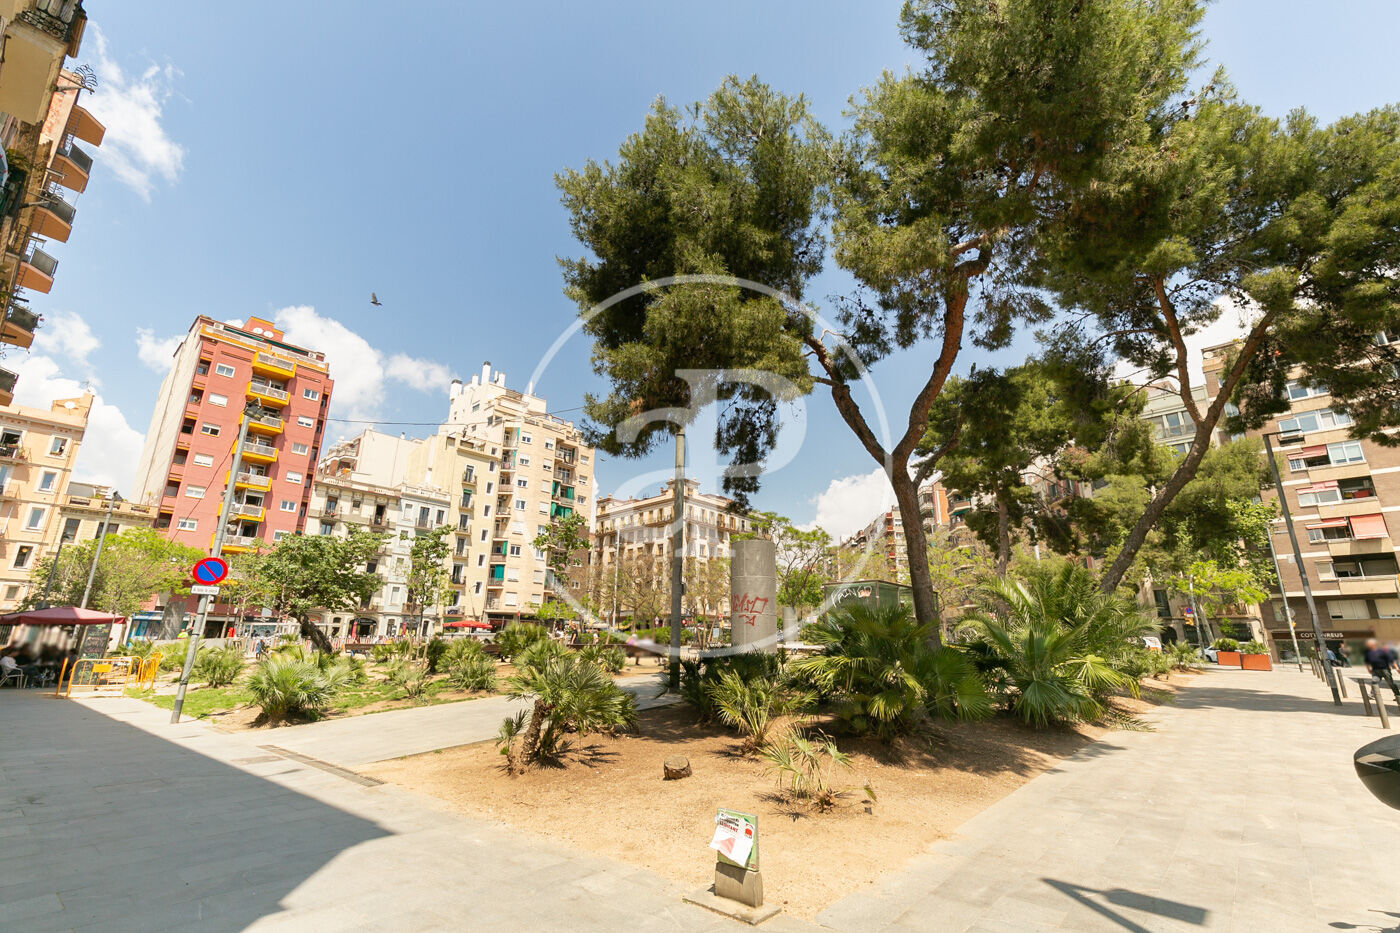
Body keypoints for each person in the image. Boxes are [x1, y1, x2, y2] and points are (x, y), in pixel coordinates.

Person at [1363, 638, 1400, 702]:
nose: (1367, 645)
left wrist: (1396, 668)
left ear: (1373, 644)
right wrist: (1368, 669)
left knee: (1391, 683)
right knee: (1374, 682)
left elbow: (1391, 660)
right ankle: (1372, 695)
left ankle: (1397, 695)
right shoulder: (1368, 653)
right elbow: (1367, 662)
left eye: (1369, 644)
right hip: (1375, 670)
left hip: (1385, 670)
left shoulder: (1381, 651)